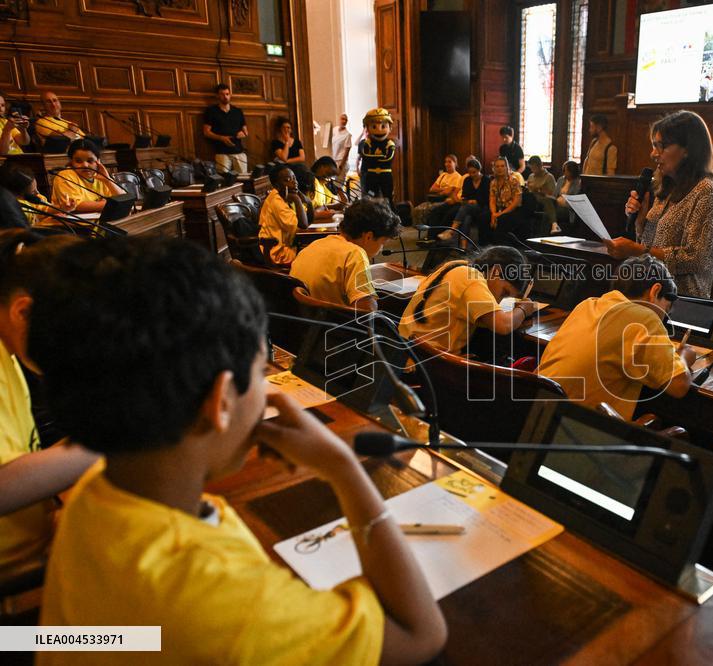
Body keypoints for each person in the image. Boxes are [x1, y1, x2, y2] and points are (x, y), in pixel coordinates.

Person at [30, 236, 447, 665]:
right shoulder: (236, 611)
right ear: (222, 400)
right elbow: (420, 635)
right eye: (261, 372)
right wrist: (344, 468)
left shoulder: (91, 497)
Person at [0, 230, 98, 572]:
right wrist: (121, 433)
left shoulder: (11, 352)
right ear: (23, 312)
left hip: (40, 543)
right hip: (16, 578)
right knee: (159, 628)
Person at [538, 255, 695, 419]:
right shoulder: (644, 318)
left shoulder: (587, 304)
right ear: (655, 291)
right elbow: (679, 386)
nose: (663, 319)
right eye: (666, 309)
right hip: (578, 427)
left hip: (540, 413)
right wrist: (684, 357)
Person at [606, 110, 713, 299]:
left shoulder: (708, 189)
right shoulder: (667, 186)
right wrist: (640, 222)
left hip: (683, 300)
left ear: (687, 149)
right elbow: (650, 245)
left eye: (661, 146)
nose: (653, 154)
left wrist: (636, 249)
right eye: (653, 146)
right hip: (651, 294)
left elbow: (695, 259)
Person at [399, 245, 539, 355]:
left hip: (408, 354)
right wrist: (523, 309)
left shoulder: (457, 266)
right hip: (425, 365)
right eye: (504, 292)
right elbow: (503, 325)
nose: (499, 301)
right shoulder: (471, 279)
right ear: (495, 271)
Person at [291, 198, 401, 311]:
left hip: (305, 321)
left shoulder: (313, 246)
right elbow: (367, 311)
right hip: (334, 324)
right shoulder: (355, 254)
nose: (381, 249)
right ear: (368, 237)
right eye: (382, 243)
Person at [50, 139, 127, 214]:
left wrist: (107, 180)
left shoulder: (100, 176)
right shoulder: (65, 175)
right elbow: (76, 206)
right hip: (71, 224)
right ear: (71, 162)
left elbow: (124, 200)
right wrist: (111, 204)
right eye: (78, 161)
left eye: (90, 161)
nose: (85, 165)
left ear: (98, 161)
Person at [258, 166, 309, 266]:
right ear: (277, 185)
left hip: (287, 247)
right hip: (277, 252)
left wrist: (305, 200)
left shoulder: (284, 197)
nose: (294, 182)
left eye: (294, 178)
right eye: (288, 180)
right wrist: (297, 199)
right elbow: (303, 225)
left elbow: (308, 217)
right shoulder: (276, 200)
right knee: (315, 256)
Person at [438, 157, 490, 247]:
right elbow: (465, 196)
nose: (472, 175)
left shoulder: (486, 180)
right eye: (470, 173)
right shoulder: (467, 180)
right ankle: (464, 246)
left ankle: (452, 230)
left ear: (479, 170)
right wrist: (469, 200)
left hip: (482, 206)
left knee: (466, 209)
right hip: (469, 206)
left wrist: (476, 200)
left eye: (474, 172)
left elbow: (488, 197)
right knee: (467, 217)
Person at [202, 83, 249, 175]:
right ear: (217, 95)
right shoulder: (211, 111)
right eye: (222, 94)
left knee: (243, 178)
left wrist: (242, 134)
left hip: (238, 151)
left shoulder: (238, 111)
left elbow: (246, 132)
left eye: (227, 94)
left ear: (230, 95)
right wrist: (221, 138)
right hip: (222, 152)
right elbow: (206, 132)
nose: (225, 97)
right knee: (223, 179)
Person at [411, 154, 464, 228]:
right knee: (417, 209)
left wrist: (441, 190)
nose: (447, 164)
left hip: (446, 200)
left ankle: (433, 231)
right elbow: (432, 189)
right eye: (445, 162)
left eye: (449, 162)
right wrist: (444, 189)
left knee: (434, 210)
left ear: (455, 163)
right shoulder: (443, 175)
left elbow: (448, 193)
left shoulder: (458, 177)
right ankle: (422, 229)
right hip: (436, 198)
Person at [486, 157, 526, 245]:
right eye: (497, 166)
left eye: (502, 166)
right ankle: (484, 247)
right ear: (494, 168)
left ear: (507, 167)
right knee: (483, 216)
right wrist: (493, 213)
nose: (500, 168)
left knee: (502, 219)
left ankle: (500, 248)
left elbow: (516, 202)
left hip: (512, 210)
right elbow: (492, 199)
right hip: (498, 209)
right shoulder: (493, 182)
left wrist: (499, 214)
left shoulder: (514, 181)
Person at [358, 108, 396, 201]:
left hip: (385, 176)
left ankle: (390, 214)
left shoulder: (390, 143)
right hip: (371, 177)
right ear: (367, 127)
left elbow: (388, 158)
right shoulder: (367, 142)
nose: (379, 130)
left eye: (383, 126)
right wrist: (381, 157)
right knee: (371, 196)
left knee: (388, 197)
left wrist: (374, 159)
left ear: (390, 127)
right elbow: (366, 156)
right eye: (374, 127)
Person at [525, 156, 557, 234]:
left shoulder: (549, 177)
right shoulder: (531, 176)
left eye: (534, 168)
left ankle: (554, 224)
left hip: (543, 199)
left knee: (545, 200)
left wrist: (539, 190)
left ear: (540, 166)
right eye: (531, 168)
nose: (532, 170)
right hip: (531, 199)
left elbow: (553, 194)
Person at [551, 160, 582, 234]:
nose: (564, 173)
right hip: (557, 204)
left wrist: (562, 202)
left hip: (568, 208)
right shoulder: (561, 179)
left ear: (572, 171)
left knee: (550, 213)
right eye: (563, 170)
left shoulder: (578, 182)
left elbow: (574, 199)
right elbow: (555, 194)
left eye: (566, 171)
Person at [330, 113, 353, 179]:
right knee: (333, 184)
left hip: (341, 162)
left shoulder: (347, 135)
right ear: (339, 119)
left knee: (339, 185)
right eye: (342, 119)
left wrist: (340, 167)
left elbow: (346, 153)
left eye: (346, 120)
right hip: (334, 161)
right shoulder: (335, 130)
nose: (344, 121)